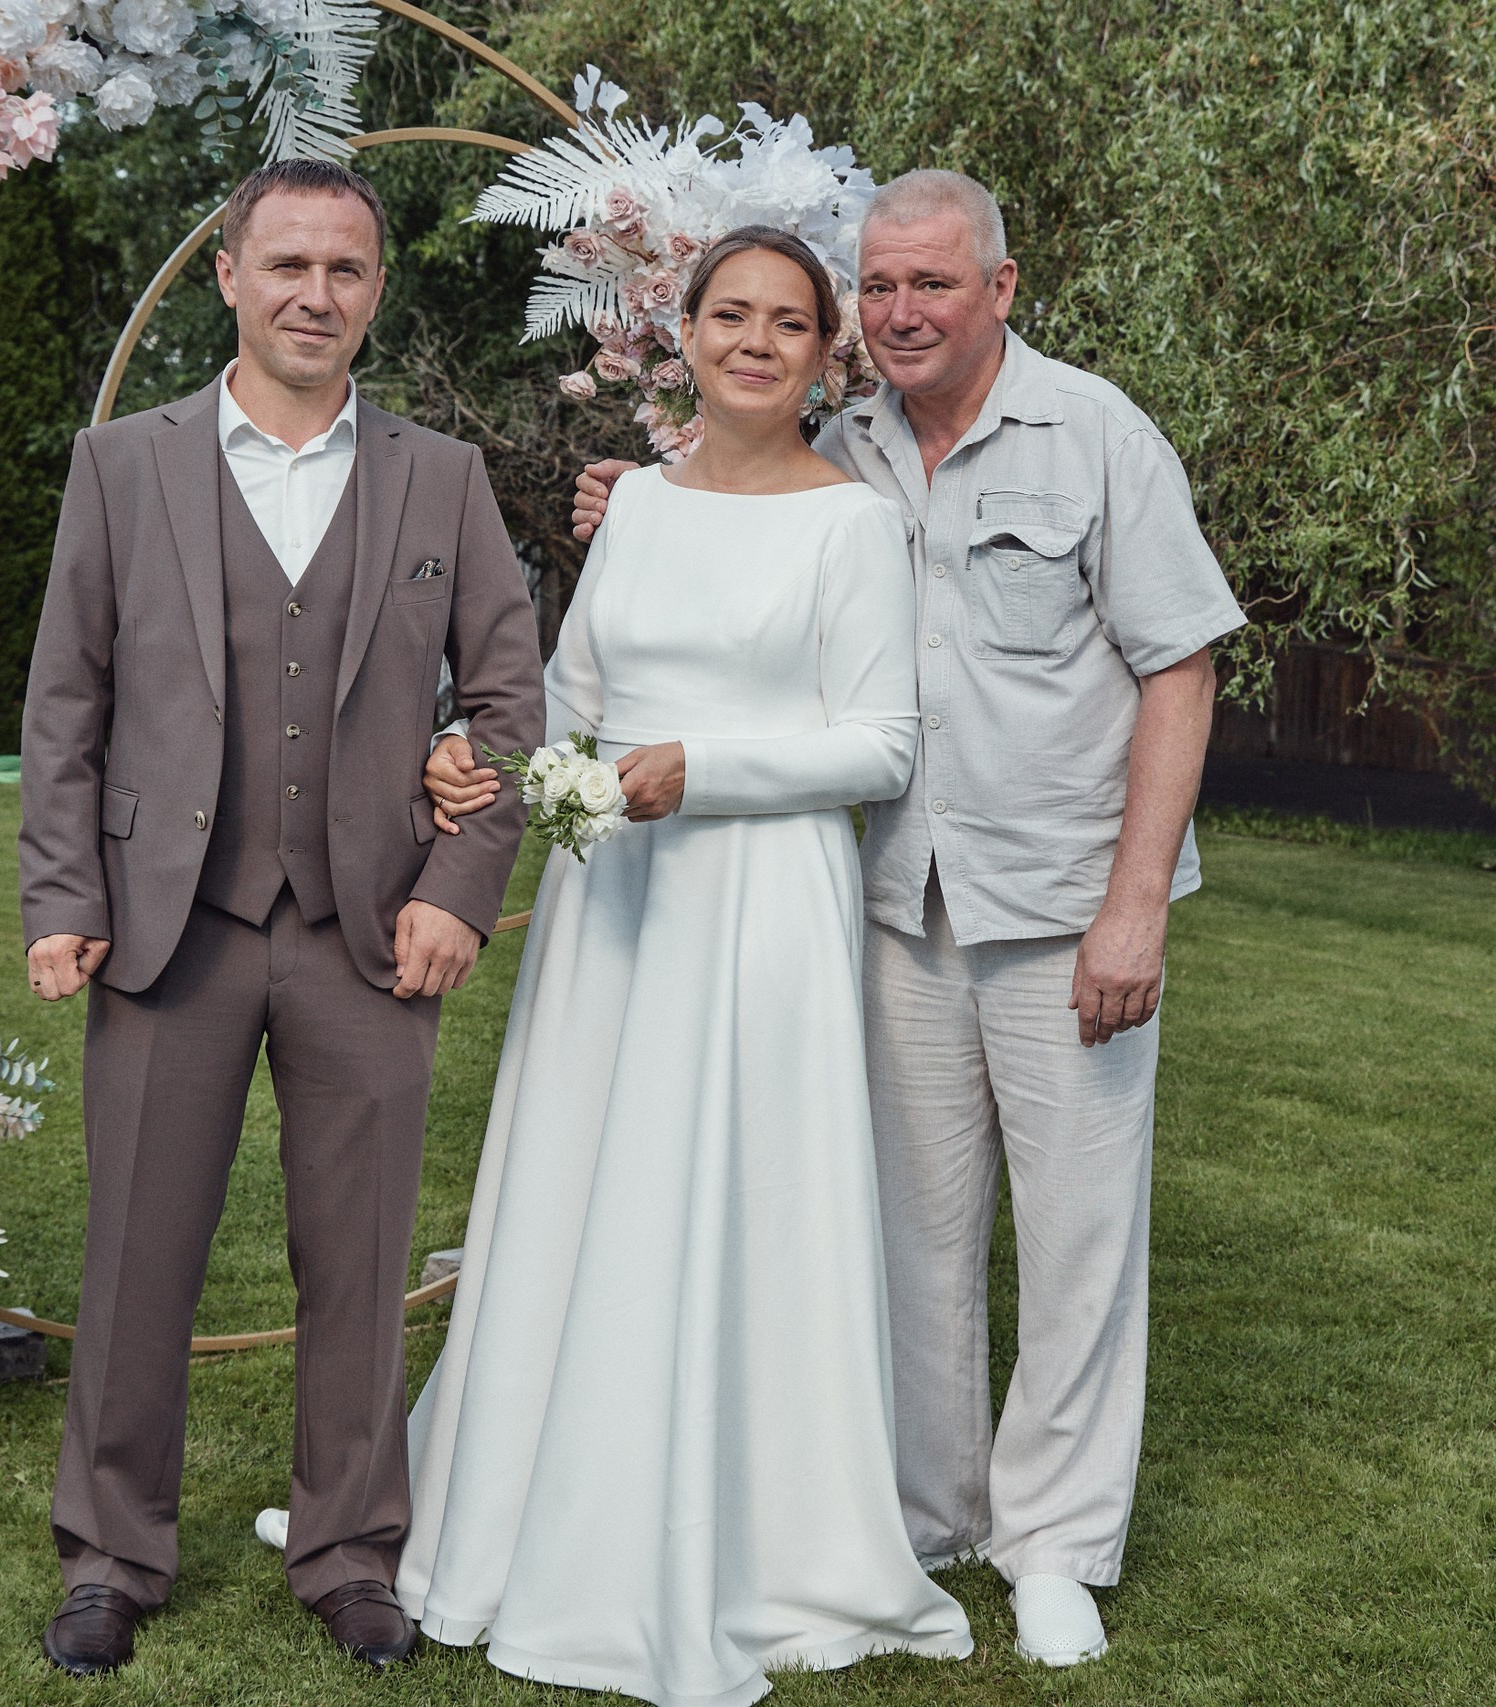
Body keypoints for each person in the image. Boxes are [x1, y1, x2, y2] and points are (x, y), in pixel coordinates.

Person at [432, 170, 1246, 1666]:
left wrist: (1137, 906)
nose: (902, 310)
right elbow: (730, 520)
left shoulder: (1096, 435)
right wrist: (638, 504)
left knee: (1075, 1238)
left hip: (1062, 895)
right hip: (887, 898)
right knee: (911, 1238)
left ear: (1003, 288)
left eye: (932, 283)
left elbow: (1181, 665)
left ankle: (1054, 1543)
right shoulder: (853, 440)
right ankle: (922, 1513)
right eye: (879, 286)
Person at [374, 226, 972, 1706]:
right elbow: (567, 700)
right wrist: (484, 757)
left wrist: (701, 770)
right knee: (585, 1182)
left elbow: (880, 744)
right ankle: (515, 1495)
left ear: (824, 353)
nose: (756, 342)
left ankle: (755, 1531)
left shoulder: (850, 527)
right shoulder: (628, 508)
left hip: (758, 908)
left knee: (730, 1194)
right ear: (686, 333)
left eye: (787, 322)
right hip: (613, 909)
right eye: (729, 315)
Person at [17, 157, 543, 1677]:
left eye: (349, 271)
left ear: (378, 291)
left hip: (369, 930)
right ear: (231, 277)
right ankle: (112, 1553)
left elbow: (508, 699)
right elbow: (68, 704)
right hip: (165, 922)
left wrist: (461, 890)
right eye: (289, 265)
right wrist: (65, 894)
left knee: (361, 1254)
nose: (317, 294)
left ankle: (351, 1549)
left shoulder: (441, 477)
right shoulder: (122, 465)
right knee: (136, 1252)